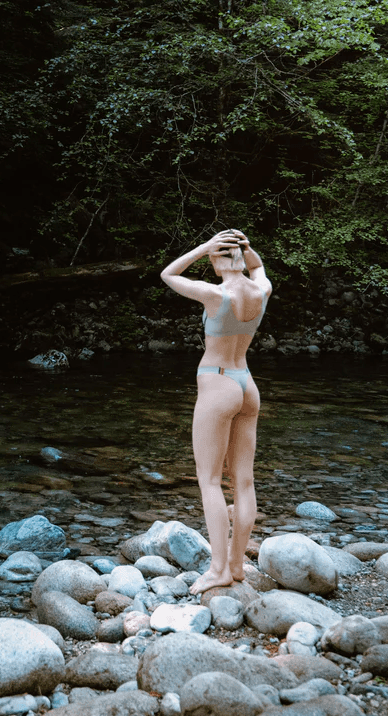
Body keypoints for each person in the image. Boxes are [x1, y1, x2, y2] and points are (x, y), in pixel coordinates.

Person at [160, 229, 272, 593]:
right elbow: (259, 268)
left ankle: (218, 569)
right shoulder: (261, 290)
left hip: (218, 382)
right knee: (244, 481)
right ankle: (237, 566)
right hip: (246, 384)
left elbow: (169, 274)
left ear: (214, 260)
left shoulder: (213, 294)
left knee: (209, 480)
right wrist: (247, 249)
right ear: (241, 258)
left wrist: (203, 247)